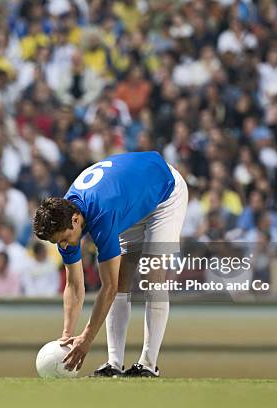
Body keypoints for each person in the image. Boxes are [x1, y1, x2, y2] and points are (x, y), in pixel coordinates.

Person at [33, 151, 188, 377]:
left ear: (76, 221)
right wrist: (67, 335)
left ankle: (148, 365)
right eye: (59, 243)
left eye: (64, 240)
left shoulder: (101, 215)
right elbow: (74, 286)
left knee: (152, 278)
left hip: (165, 192)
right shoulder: (65, 221)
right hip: (130, 201)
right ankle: (113, 364)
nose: (64, 246)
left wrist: (86, 338)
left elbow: (108, 288)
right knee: (123, 279)